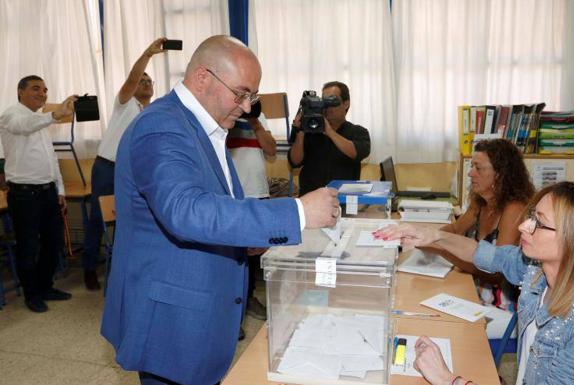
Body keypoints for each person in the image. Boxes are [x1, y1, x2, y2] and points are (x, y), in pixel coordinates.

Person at [101, 35, 339, 385]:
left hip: (200, 314)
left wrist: (245, 240)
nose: (246, 107)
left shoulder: (204, 126)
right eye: (241, 93)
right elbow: (186, 210)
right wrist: (297, 212)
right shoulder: (161, 126)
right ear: (202, 77)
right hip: (172, 322)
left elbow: (218, 203)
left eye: (252, 96)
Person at [374, 182, 574, 385]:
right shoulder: (536, 270)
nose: (524, 226)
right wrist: (434, 236)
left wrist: (448, 380)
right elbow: (485, 254)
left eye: (540, 222)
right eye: (531, 217)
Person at [82, 38, 168, 291]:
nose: (144, 83)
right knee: (99, 218)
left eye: (148, 81)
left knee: (129, 221)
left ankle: (122, 271)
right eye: (141, 80)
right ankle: (89, 268)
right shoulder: (125, 104)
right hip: (108, 168)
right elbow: (131, 80)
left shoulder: (155, 112)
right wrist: (148, 54)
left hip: (134, 173)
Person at [440, 139, 534, 338]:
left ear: (499, 174)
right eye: (471, 166)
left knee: (446, 327)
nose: (470, 173)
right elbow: (455, 229)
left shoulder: (514, 209)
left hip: (502, 306)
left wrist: (442, 249)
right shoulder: (481, 201)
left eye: (478, 168)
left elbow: (496, 274)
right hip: (476, 291)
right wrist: (423, 234)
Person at [0, 75, 76, 313]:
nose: (42, 94)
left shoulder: (41, 121)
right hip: (24, 195)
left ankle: (45, 286)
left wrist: (60, 189)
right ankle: (31, 294)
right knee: (28, 247)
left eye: (44, 90)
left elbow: (51, 159)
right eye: (35, 89)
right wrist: (55, 114)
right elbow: (24, 127)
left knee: (54, 244)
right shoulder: (12, 115)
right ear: (20, 91)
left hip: (47, 192)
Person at [226, 100, 275, 335]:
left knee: (255, 257)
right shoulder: (224, 115)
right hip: (234, 195)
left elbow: (271, 150)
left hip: (259, 192)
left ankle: (249, 300)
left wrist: (255, 123)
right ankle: (232, 314)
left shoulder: (258, 116)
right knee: (234, 259)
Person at [288, 81, 371, 195]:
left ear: (346, 104)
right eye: (324, 102)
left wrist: (330, 132)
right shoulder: (311, 131)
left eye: (333, 101)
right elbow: (294, 161)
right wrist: (301, 131)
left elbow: (357, 152)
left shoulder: (358, 132)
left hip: (342, 201)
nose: (327, 107)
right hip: (311, 200)